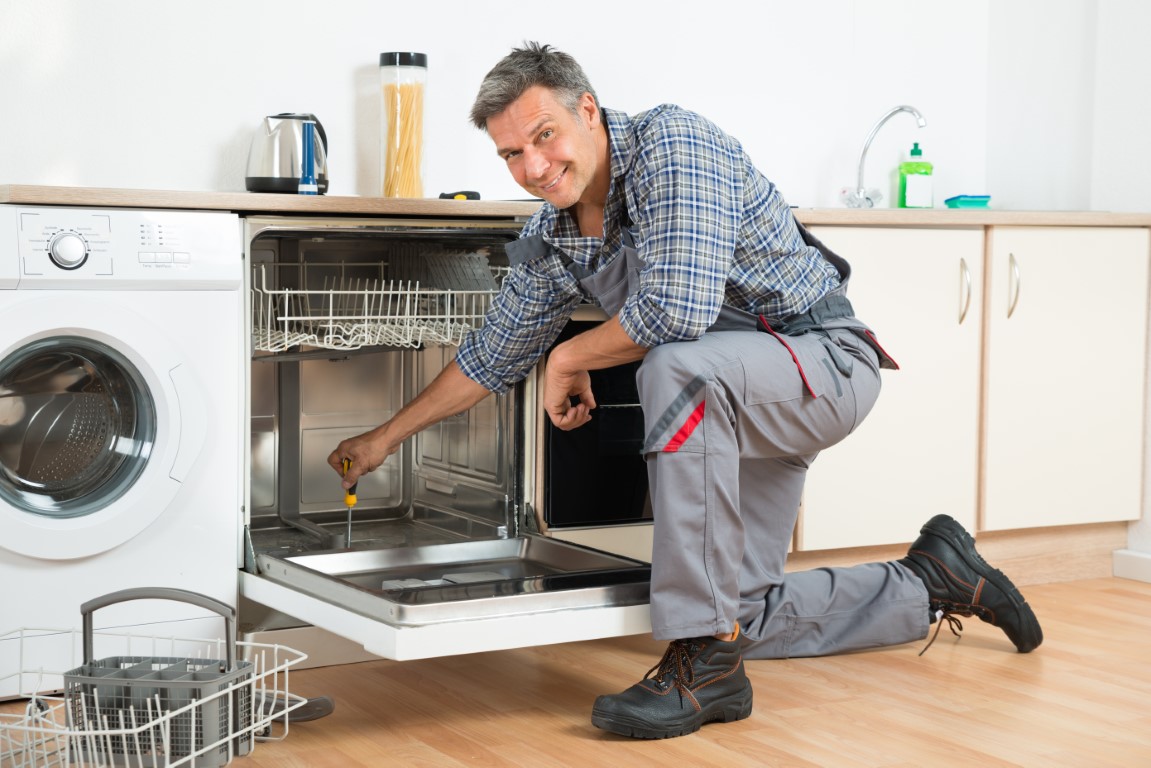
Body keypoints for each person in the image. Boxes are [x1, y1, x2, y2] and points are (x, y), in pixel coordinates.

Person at [329, 42, 1043, 740]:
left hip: (820, 365)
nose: (535, 167)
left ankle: (700, 660)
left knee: (675, 366)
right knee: (748, 615)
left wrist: (569, 356)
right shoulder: (552, 234)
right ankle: (933, 578)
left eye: (544, 137)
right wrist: (379, 440)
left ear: (587, 110)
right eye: (512, 154)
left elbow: (676, 311)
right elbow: (491, 356)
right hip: (731, 400)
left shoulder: (673, 144)